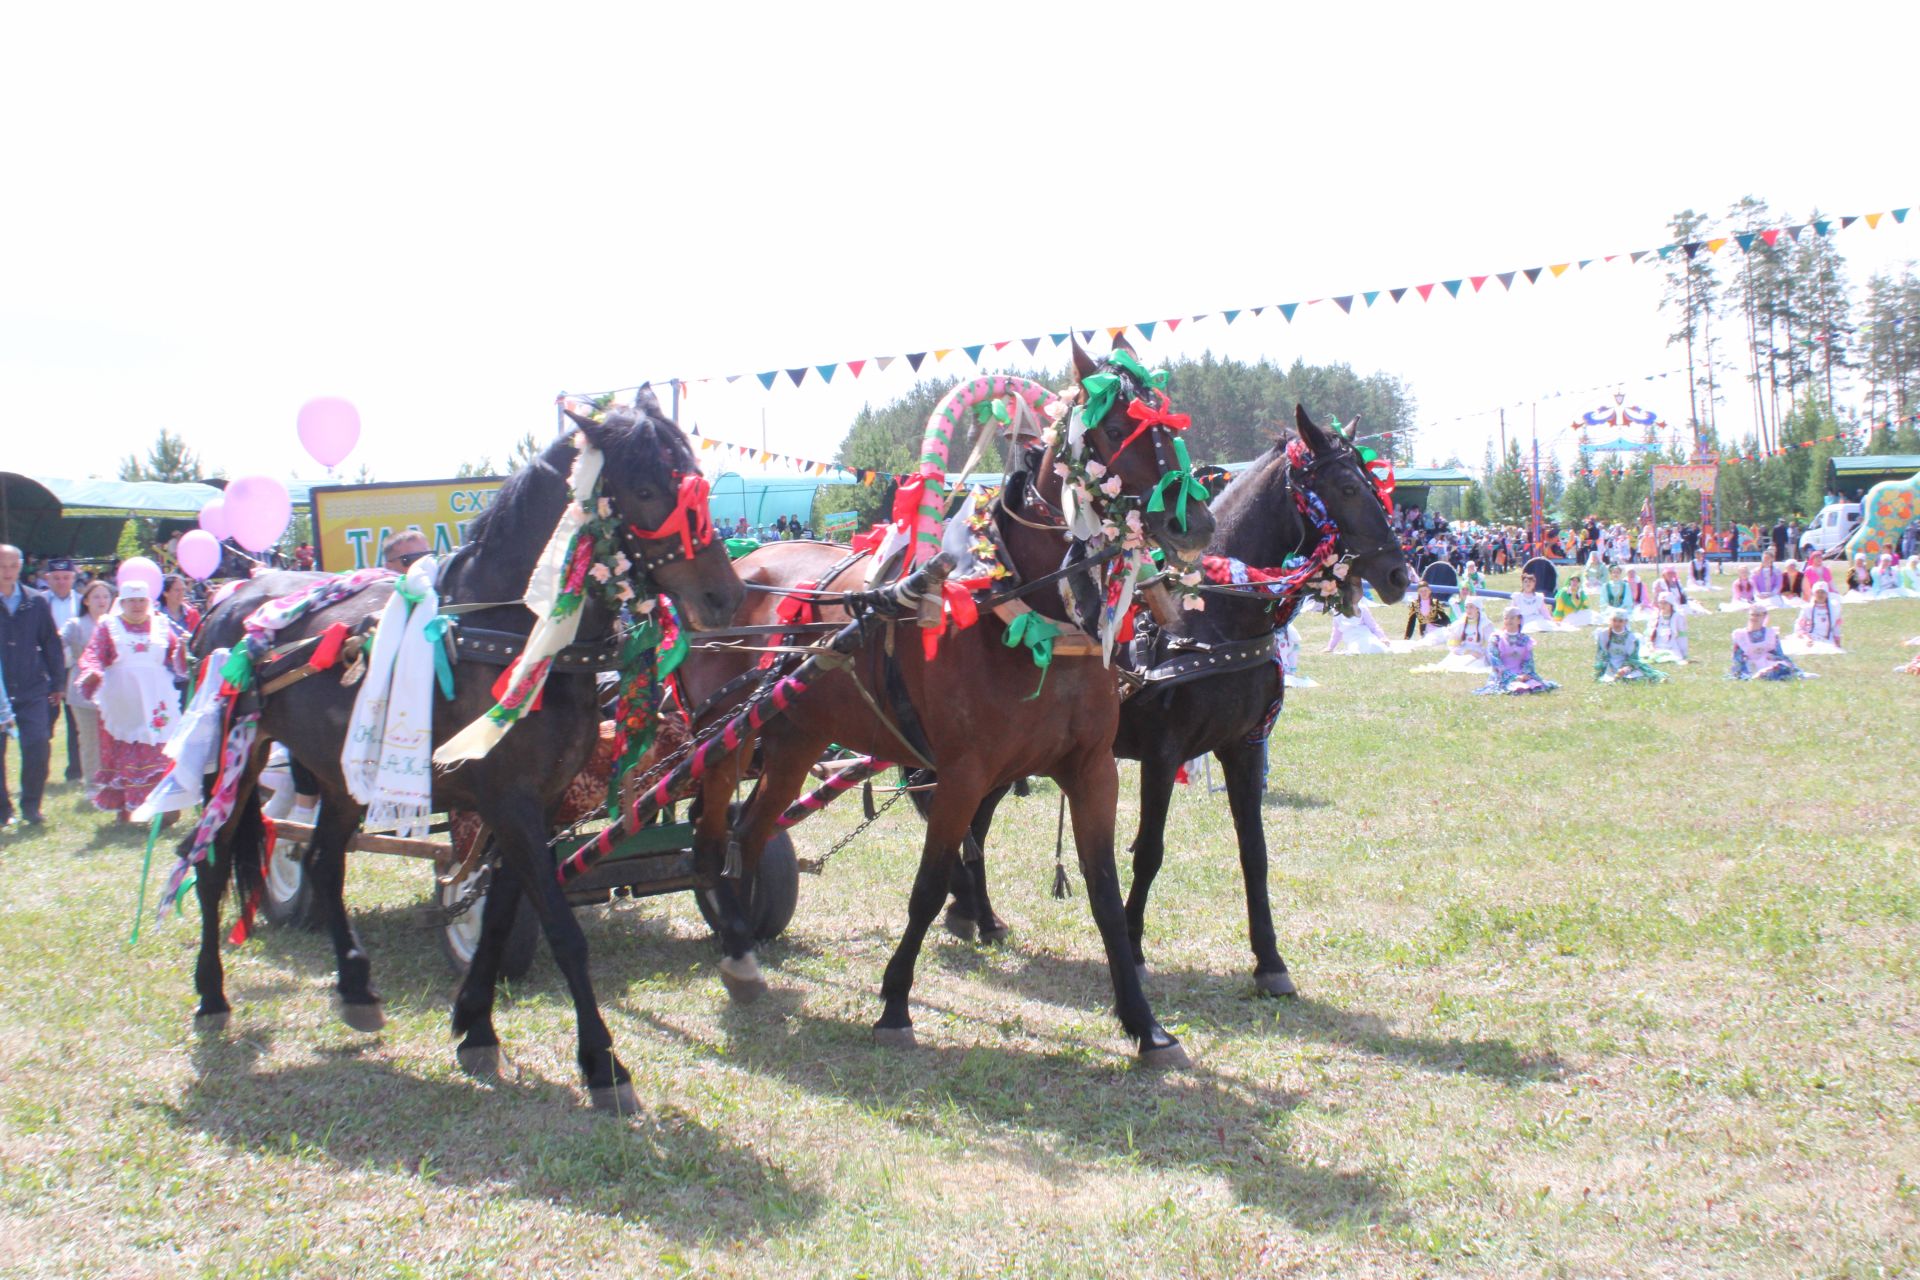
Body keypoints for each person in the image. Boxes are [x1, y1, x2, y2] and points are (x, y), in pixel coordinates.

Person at [75, 579, 187, 821]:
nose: (137, 606)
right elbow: (93, 653)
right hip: (122, 701)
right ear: (122, 603)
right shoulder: (109, 626)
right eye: (131, 601)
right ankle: (126, 807)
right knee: (125, 750)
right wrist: (92, 672)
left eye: (141, 601)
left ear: (148, 602)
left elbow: (176, 651)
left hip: (156, 699)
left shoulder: (160, 624)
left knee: (159, 748)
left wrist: (186, 653)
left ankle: (166, 807)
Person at [0, 544, 65, 828]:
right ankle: (3, 810)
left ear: (21, 567)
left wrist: (57, 683)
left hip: (32, 687)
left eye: (13, 565)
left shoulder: (36, 601)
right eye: (3, 565)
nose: (8, 572)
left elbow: (50, 642)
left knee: (38, 744)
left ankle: (31, 806)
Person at [59, 579, 114, 803]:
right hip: (83, 694)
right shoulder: (75, 624)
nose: (101, 601)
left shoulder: (117, 624)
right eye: (96, 596)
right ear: (86, 600)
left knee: (112, 740)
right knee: (90, 739)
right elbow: (56, 643)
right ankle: (92, 784)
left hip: (112, 693)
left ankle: (112, 781)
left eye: (105, 596)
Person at [41, 558, 84, 781]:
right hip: (47, 672)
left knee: (76, 724)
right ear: (47, 579)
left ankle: (75, 772)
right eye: (56, 578)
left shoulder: (82, 602)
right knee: (44, 723)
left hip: (74, 669)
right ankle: (40, 773)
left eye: (66, 578)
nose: (61, 582)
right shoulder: (39, 602)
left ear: (73, 578)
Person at [1475, 606, 1558, 694]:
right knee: (1514, 687)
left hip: (1522, 674)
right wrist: (1514, 677)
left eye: (1512, 618)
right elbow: (1495, 662)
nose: (1508, 621)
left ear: (1519, 620)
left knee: (1535, 685)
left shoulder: (1525, 639)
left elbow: (1528, 661)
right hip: (1503, 675)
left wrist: (1525, 674)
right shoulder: (1496, 638)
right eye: (1506, 618)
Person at [1729, 605, 1812, 681]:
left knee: (1781, 667)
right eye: (1752, 615)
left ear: (1764, 617)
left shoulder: (1771, 633)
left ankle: (1765, 674)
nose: (1754, 618)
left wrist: (1775, 658)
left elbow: (1779, 653)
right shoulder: (1740, 635)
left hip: (1767, 662)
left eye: (1758, 615)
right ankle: (1756, 676)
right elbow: (1737, 657)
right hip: (1750, 665)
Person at [1413, 598, 1494, 674]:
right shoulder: (1460, 624)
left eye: (1471, 607)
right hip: (1462, 653)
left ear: (1478, 609)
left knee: (1470, 667)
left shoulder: (1486, 625)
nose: (1468, 610)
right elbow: (1453, 644)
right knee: (1449, 666)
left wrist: (1485, 657)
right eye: (1467, 607)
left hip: (1479, 655)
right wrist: (1466, 652)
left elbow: (1489, 646)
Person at [1594, 609, 1666, 682]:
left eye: (1620, 621)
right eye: (1614, 620)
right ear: (1610, 620)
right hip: (1609, 665)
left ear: (1626, 622)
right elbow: (1601, 654)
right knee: (1609, 679)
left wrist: (1625, 668)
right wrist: (1604, 665)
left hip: (1626, 665)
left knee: (1638, 677)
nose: (1617, 623)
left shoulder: (1632, 638)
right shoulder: (1603, 634)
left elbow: (1633, 658)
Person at [1786, 581, 1843, 655]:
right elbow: (1799, 627)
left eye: (1822, 592)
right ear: (1814, 594)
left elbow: (1836, 627)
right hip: (1811, 639)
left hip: (1828, 639)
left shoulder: (1834, 609)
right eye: (1818, 592)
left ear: (1827, 594)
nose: (1820, 595)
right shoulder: (1807, 608)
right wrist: (1807, 638)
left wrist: (1837, 642)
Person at [1325, 600, 1391, 654]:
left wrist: (1382, 638)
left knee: (1375, 647)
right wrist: (1330, 647)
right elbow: (1336, 633)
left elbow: (1373, 626)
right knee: (1356, 650)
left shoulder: (1362, 608)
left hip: (1365, 636)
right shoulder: (1337, 614)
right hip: (1352, 640)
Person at [1400, 581, 1452, 645]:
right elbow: (1411, 622)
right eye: (1421, 591)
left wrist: (1448, 626)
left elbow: (1446, 619)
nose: (1424, 593)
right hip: (1425, 633)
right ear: (1418, 592)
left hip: (1438, 629)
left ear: (1429, 591)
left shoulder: (1435, 602)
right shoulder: (1415, 605)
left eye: (1425, 590)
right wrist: (1407, 639)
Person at [1645, 594, 1689, 662]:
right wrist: (1650, 645)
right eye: (1660, 603)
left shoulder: (1678, 617)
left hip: (1671, 646)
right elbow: (1649, 634)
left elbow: (1682, 636)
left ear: (1671, 604)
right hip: (1656, 645)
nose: (1662, 605)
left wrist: (1683, 652)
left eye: (1665, 603)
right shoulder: (1655, 616)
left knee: (1672, 657)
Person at [1276, 622, 1315, 688]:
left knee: (1285, 659)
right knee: (1287, 659)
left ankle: (1287, 677)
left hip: (1285, 638)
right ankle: (1288, 676)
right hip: (1288, 637)